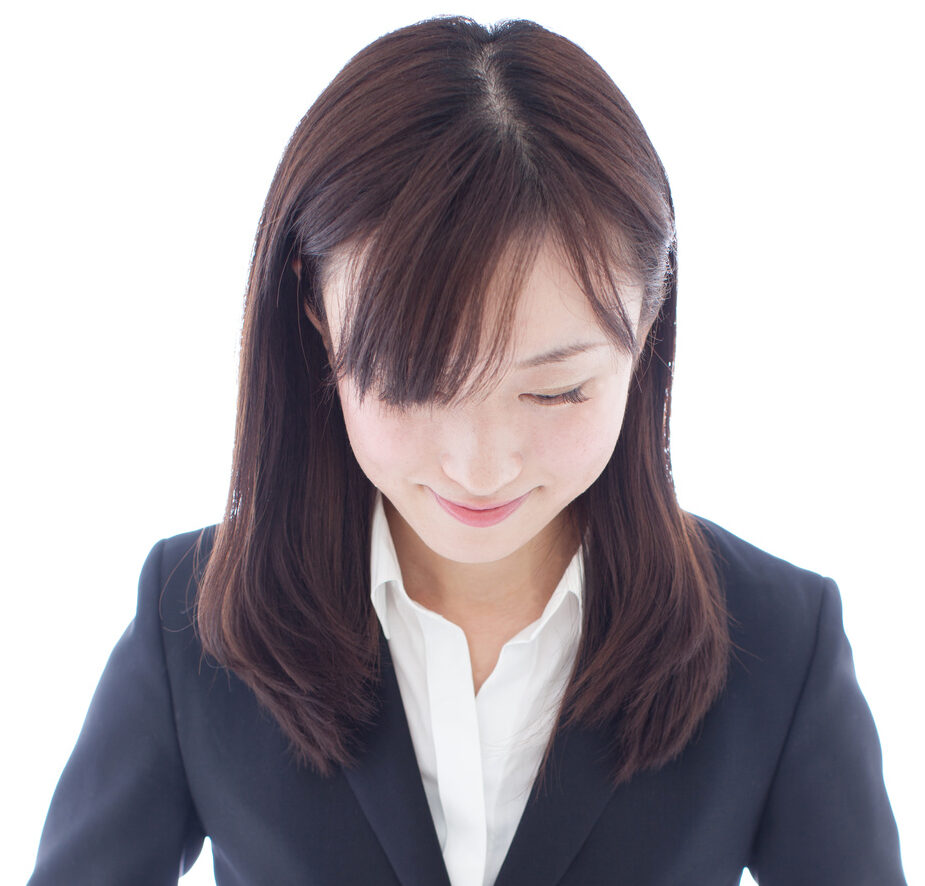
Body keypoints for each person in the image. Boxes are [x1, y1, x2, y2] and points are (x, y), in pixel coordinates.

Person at [28, 16, 906, 886]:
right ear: (315, 312)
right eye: (412, 384)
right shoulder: (194, 625)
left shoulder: (777, 643)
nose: (480, 469)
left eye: (555, 391)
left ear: (647, 323)